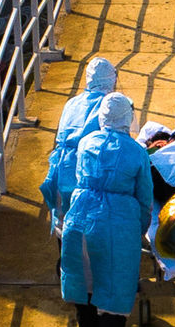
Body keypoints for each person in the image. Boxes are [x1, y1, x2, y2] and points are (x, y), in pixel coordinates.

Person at [60, 92, 153, 327]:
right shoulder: (136, 152)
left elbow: (77, 178)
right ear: (128, 118)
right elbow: (145, 197)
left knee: (85, 285)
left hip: (80, 217)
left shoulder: (87, 143)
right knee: (114, 293)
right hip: (117, 223)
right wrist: (139, 228)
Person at [40, 56, 118, 240]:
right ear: (111, 80)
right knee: (91, 225)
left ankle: (64, 262)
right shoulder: (109, 106)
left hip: (62, 168)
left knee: (64, 223)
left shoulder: (72, 103)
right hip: (89, 169)